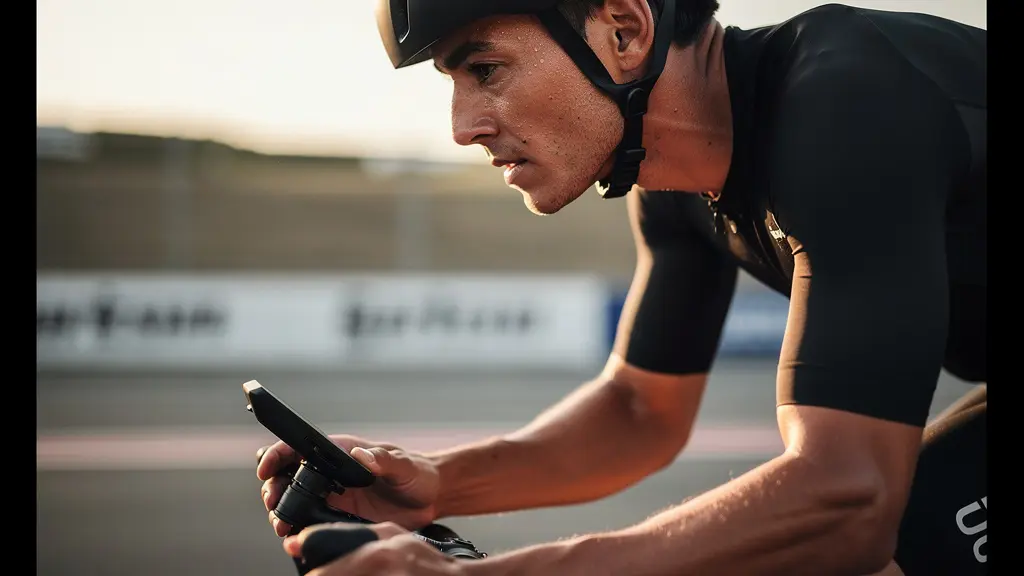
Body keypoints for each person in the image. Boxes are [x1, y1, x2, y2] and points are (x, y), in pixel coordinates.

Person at [256, 1, 987, 574]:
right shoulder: (672, 184)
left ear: (624, 30)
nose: (462, 127)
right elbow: (640, 413)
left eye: (485, 70)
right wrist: (434, 483)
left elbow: (848, 500)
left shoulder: (845, 101)